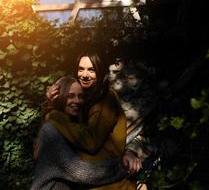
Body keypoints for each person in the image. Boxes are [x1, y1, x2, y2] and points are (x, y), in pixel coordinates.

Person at [46, 52, 145, 189]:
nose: (85, 75)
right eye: (81, 69)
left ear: (100, 72)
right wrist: (52, 104)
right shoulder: (82, 97)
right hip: (87, 179)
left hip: (107, 182)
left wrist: (54, 114)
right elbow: (54, 132)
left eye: (91, 70)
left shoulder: (105, 98)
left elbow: (90, 142)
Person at [31, 76, 129, 190]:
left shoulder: (70, 126)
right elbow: (82, 172)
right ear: (60, 97)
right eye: (70, 96)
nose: (77, 101)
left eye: (80, 96)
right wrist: (123, 166)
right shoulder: (51, 131)